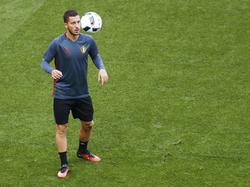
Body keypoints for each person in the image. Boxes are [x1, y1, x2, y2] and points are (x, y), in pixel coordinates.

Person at [41, 10, 108, 178]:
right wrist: (51, 70)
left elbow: (96, 55)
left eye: (78, 22)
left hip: (82, 93)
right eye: (73, 23)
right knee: (61, 128)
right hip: (62, 93)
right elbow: (44, 61)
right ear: (66, 24)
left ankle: (83, 151)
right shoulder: (58, 43)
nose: (77, 26)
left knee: (88, 124)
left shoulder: (89, 40)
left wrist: (102, 68)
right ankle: (64, 164)